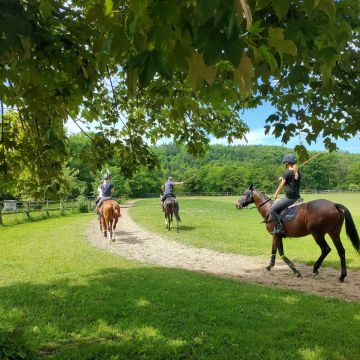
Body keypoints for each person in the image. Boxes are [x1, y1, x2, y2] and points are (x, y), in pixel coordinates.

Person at [269, 154, 301, 235]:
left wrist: (276, 194)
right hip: (297, 196)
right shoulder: (297, 172)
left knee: (272, 210)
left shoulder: (288, 173)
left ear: (287, 163)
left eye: (285, 162)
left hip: (290, 198)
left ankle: (280, 227)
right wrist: (282, 179)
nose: (284, 164)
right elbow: (291, 183)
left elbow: (281, 185)